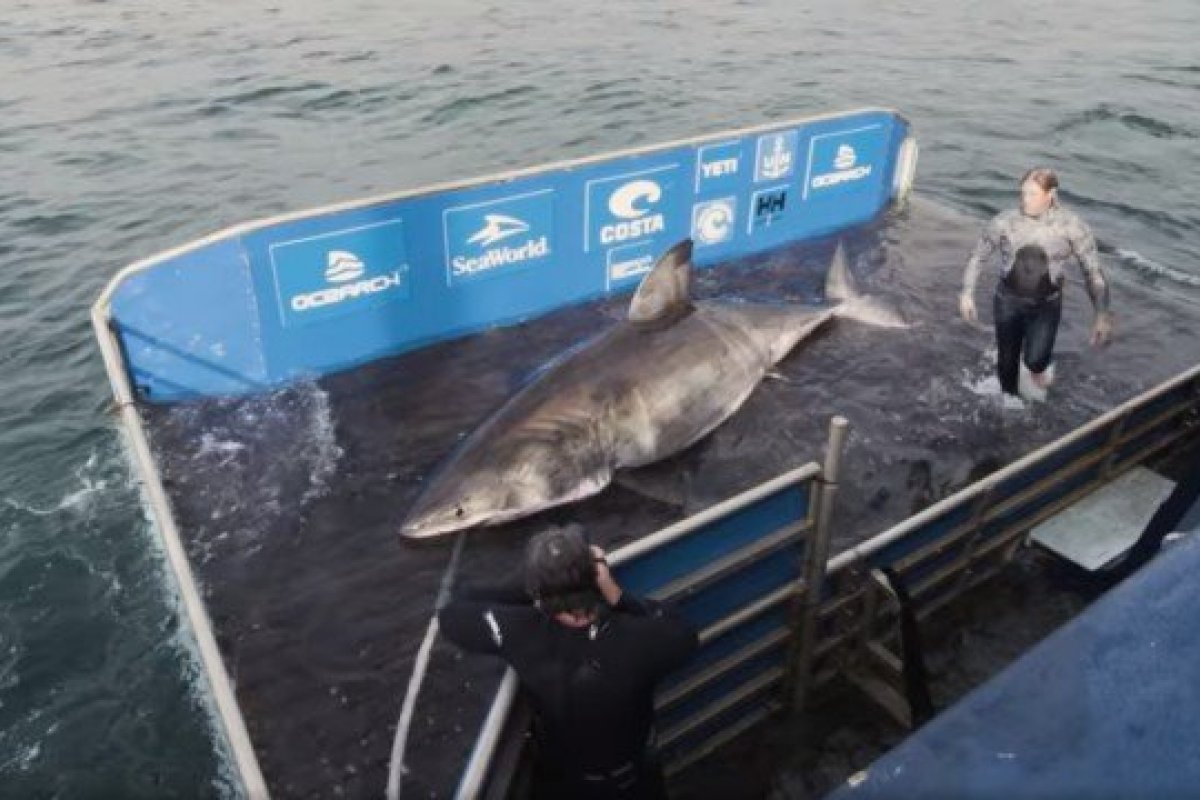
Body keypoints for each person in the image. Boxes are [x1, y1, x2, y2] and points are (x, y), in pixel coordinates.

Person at [439, 525, 698, 799]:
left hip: (570, 784)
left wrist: (531, 584)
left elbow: (453, 614)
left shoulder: (520, 631)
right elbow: (683, 633)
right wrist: (615, 593)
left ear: (538, 594)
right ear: (595, 580)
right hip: (637, 779)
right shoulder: (640, 637)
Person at [959, 167, 1115, 399]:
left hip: (1046, 305)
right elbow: (978, 256)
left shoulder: (1071, 226)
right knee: (1006, 363)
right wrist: (966, 292)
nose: (1025, 200)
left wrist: (1102, 314)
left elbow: (1092, 272)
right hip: (1007, 301)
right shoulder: (1005, 222)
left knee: (1035, 360)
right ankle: (1010, 405)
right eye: (1023, 193)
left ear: (1051, 193)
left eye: (1032, 194)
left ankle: (1037, 368)